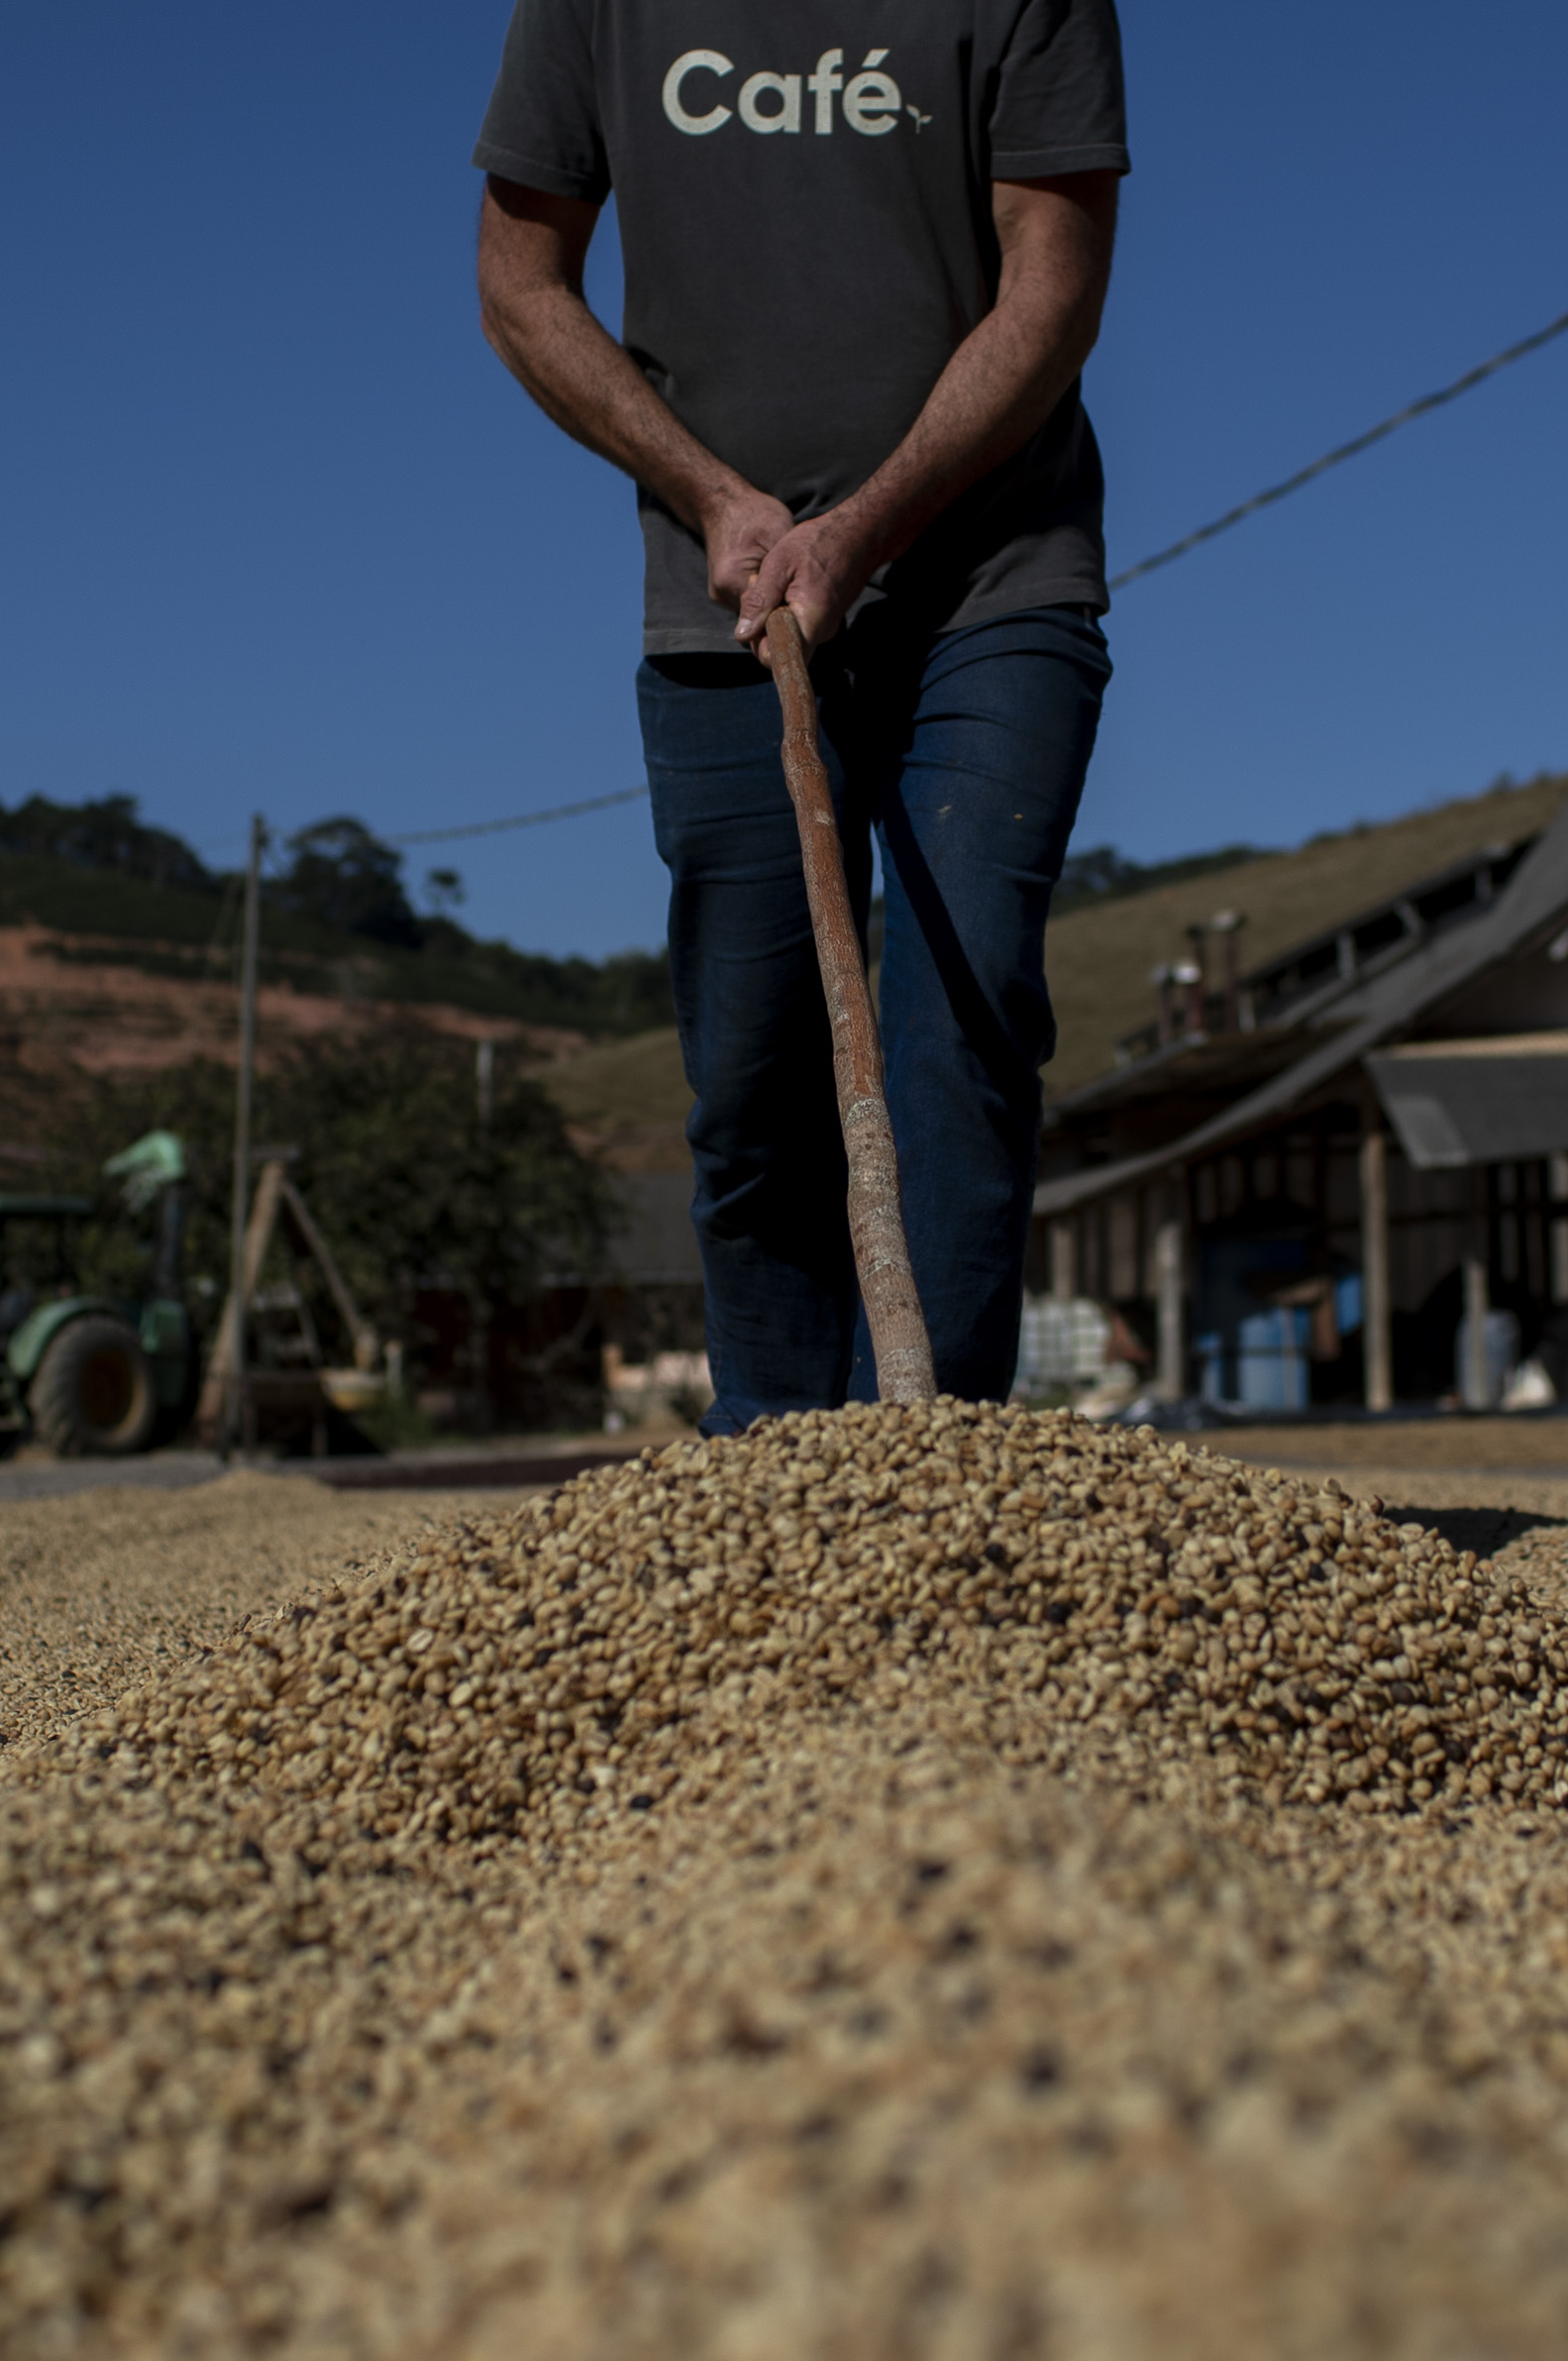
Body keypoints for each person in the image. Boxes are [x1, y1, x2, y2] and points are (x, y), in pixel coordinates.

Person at [472, 3, 1126, 1432]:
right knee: (755, 1068)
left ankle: (925, 1464)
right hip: (730, 602)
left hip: (990, 582)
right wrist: (712, 494)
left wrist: (867, 529)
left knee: (962, 1010)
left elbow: (1054, 289)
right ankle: (771, 1478)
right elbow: (521, 282)